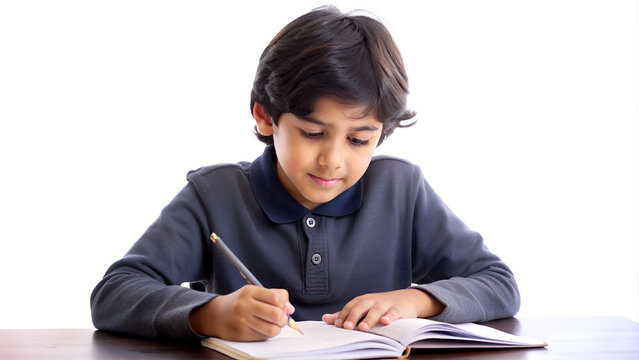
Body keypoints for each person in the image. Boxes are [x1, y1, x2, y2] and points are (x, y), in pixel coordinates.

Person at [90, 6, 520, 342]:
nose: (333, 160)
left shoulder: (400, 189)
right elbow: (114, 294)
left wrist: (414, 300)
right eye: (313, 133)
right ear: (265, 117)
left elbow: (499, 284)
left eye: (359, 140)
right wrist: (210, 314)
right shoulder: (214, 195)